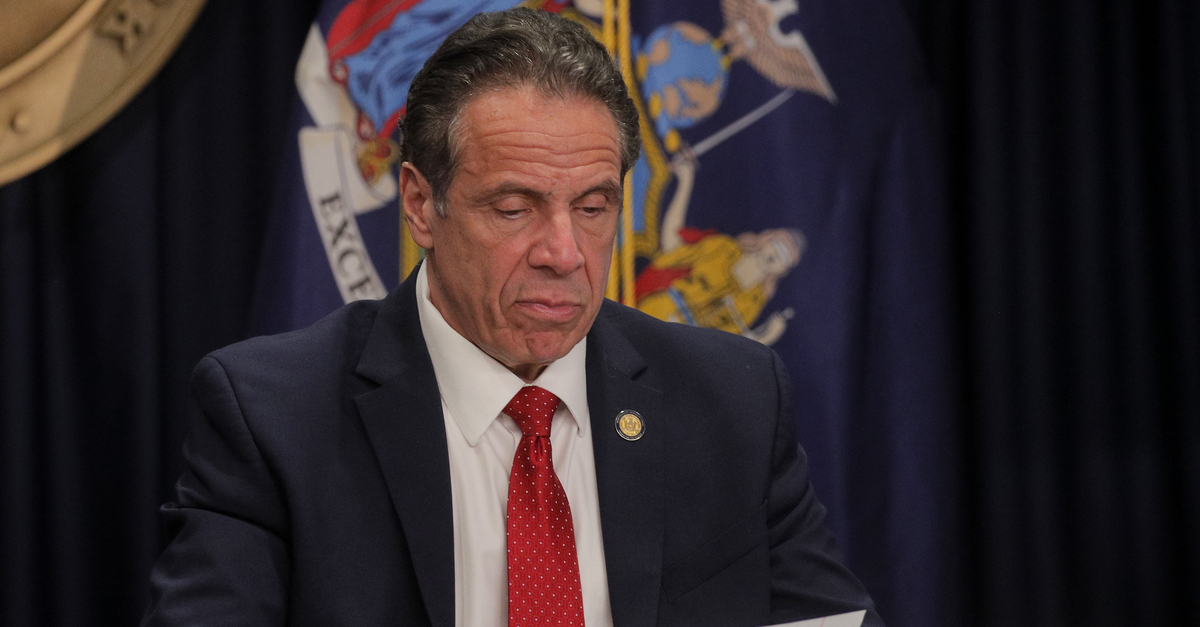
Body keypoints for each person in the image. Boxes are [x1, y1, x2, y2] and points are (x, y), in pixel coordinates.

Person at [143, 8, 882, 627]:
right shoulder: (275, 416)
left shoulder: (732, 402)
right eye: (513, 206)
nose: (564, 252)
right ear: (418, 205)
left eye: (593, 208)